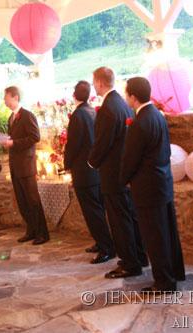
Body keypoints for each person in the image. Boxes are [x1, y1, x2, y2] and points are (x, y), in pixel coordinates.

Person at [121, 77, 185, 293]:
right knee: (167, 232)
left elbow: (131, 159)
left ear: (133, 96)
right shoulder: (157, 115)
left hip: (148, 187)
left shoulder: (140, 123)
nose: (124, 97)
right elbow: (165, 151)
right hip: (162, 181)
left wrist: (123, 179)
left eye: (126, 93)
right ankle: (176, 272)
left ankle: (165, 283)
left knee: (155, 237)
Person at [88, 67, 148, 278]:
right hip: (124, 170)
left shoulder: (108, 108)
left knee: (119, 219)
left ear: (100, 82)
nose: (94, 86)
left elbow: (103, 141)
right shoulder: (122, 104)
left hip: (113, 173)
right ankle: (140, 255)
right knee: (130, 216)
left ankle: (130, 263)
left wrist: (91, 162)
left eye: (94, 82)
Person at [64, 80, 115, 264]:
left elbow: (73, 144)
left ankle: (106, 247)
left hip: (84, 171)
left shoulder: (78, 115)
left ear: (74, 95)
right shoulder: (92, 111)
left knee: (92, 212)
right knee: (98, 210)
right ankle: (101, 243)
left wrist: (66, 163)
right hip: (96, 170)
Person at [2, 86, 50, 245]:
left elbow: (35, 137)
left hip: (26, 165)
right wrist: (6, 142)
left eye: (6, 97)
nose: (4, 100)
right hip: (16, 166)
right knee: (22, 201)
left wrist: (13, 143)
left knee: (33, 200)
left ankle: (42, 233)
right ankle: (31, 230)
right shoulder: (11, 117)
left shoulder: (27, 115)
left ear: (15, 97)